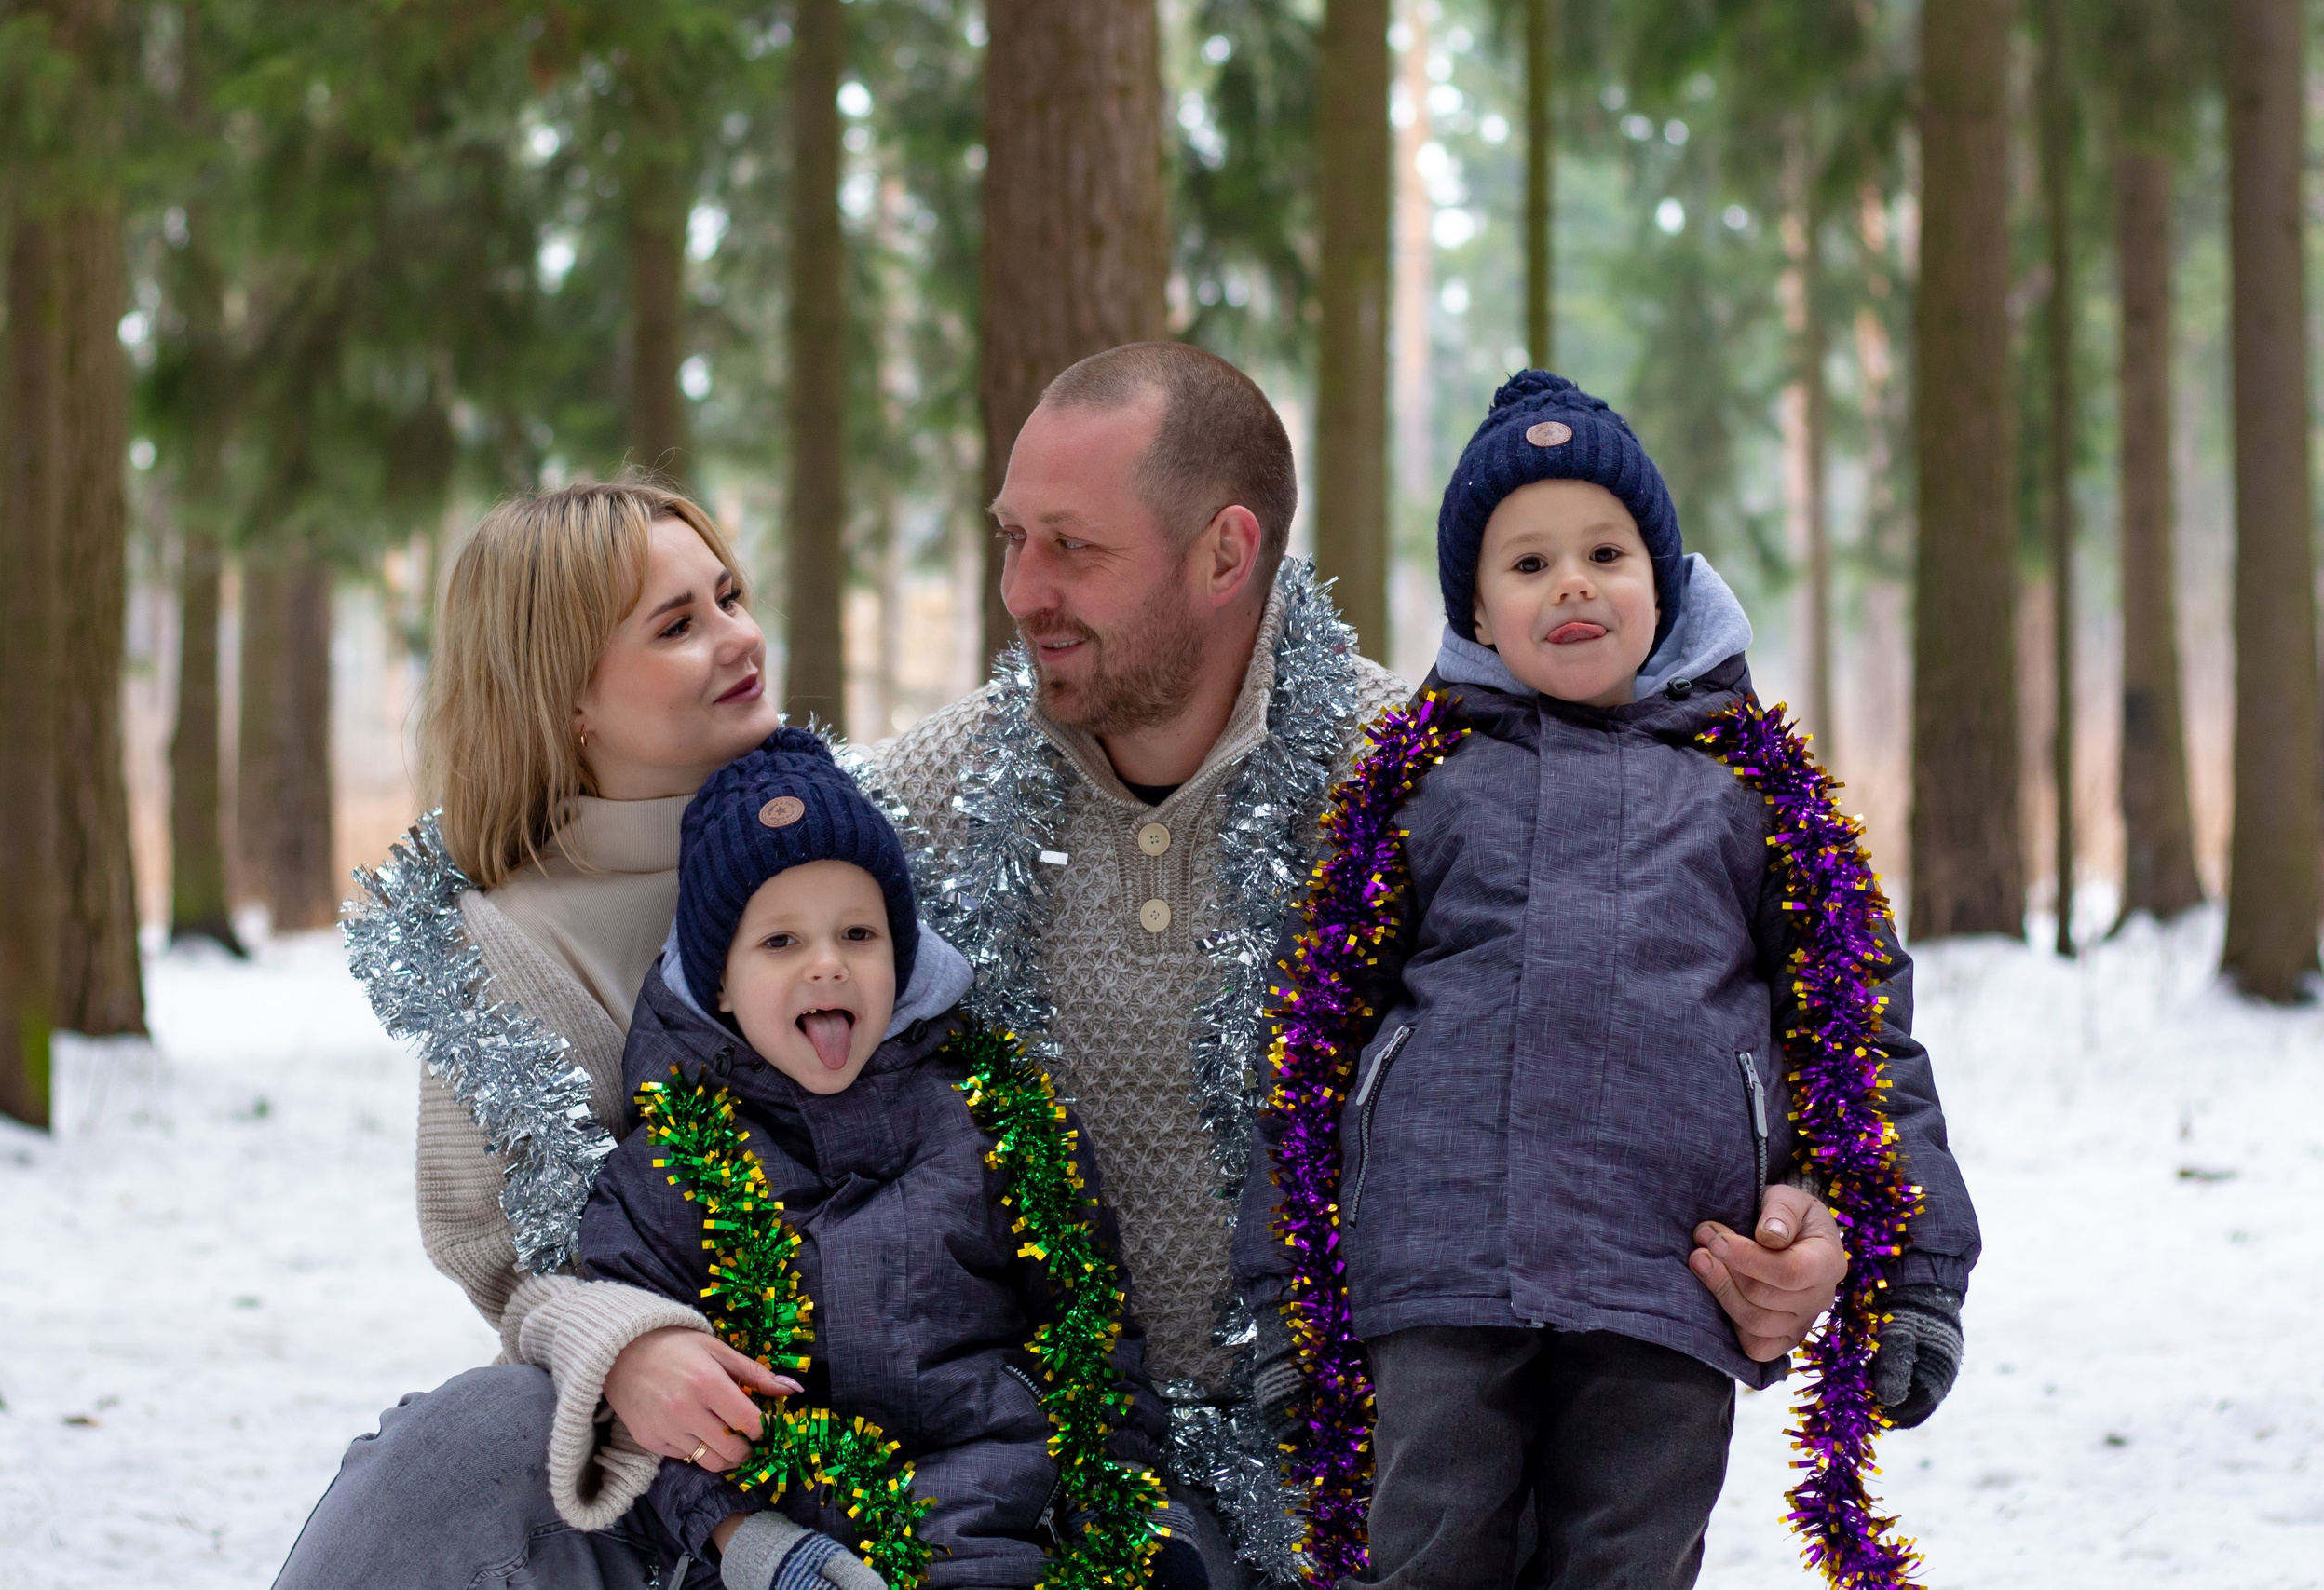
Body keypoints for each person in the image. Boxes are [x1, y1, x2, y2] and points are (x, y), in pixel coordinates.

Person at [875, 345, 1861, 1580]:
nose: (1021, 588)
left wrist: (1800, 1217)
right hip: (1045, 1487)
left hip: (1364, 1494)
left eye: (1073, 546)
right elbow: (727, 938)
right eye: (1011, 536)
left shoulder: (1432, 783)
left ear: (1226, 553)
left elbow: (1680, 1010)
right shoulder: (922, 804)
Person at [1234, 370, 1982, 1589]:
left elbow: (1860, 1032)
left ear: (1666, 575)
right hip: (1439, 1259)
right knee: (1427, 1540)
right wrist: (1281, 1286)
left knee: (1629, 1549)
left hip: (1667, 1264)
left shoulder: (1752, 787)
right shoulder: (1418, 780)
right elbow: (1311, 1035)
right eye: (1527, 564)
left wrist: (1914, 1266)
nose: (1572, 582)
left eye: (1605, 550)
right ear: (1475, 604)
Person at [278, 482, 805, 1588]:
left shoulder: (842, 844)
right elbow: (514, 1263)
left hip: (918, 1384)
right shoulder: (507, 950)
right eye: (677, 625)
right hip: (668, 1439)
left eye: (729, 596)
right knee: (446, 1455)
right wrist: (621, 1345)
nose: (737, 638)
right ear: (573, 702)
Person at [578, 730, 1203, 1590]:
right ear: (717, 979)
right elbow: (640, 1407)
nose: (827, 962)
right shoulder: (670, 1169)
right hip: (785, 1547)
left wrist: (1119, 1516)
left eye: (858, 932)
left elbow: (1090, 1327)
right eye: (781, 942)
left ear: (901, 955)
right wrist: (747, 1542)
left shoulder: (990, 1117)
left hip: (995, 1523)